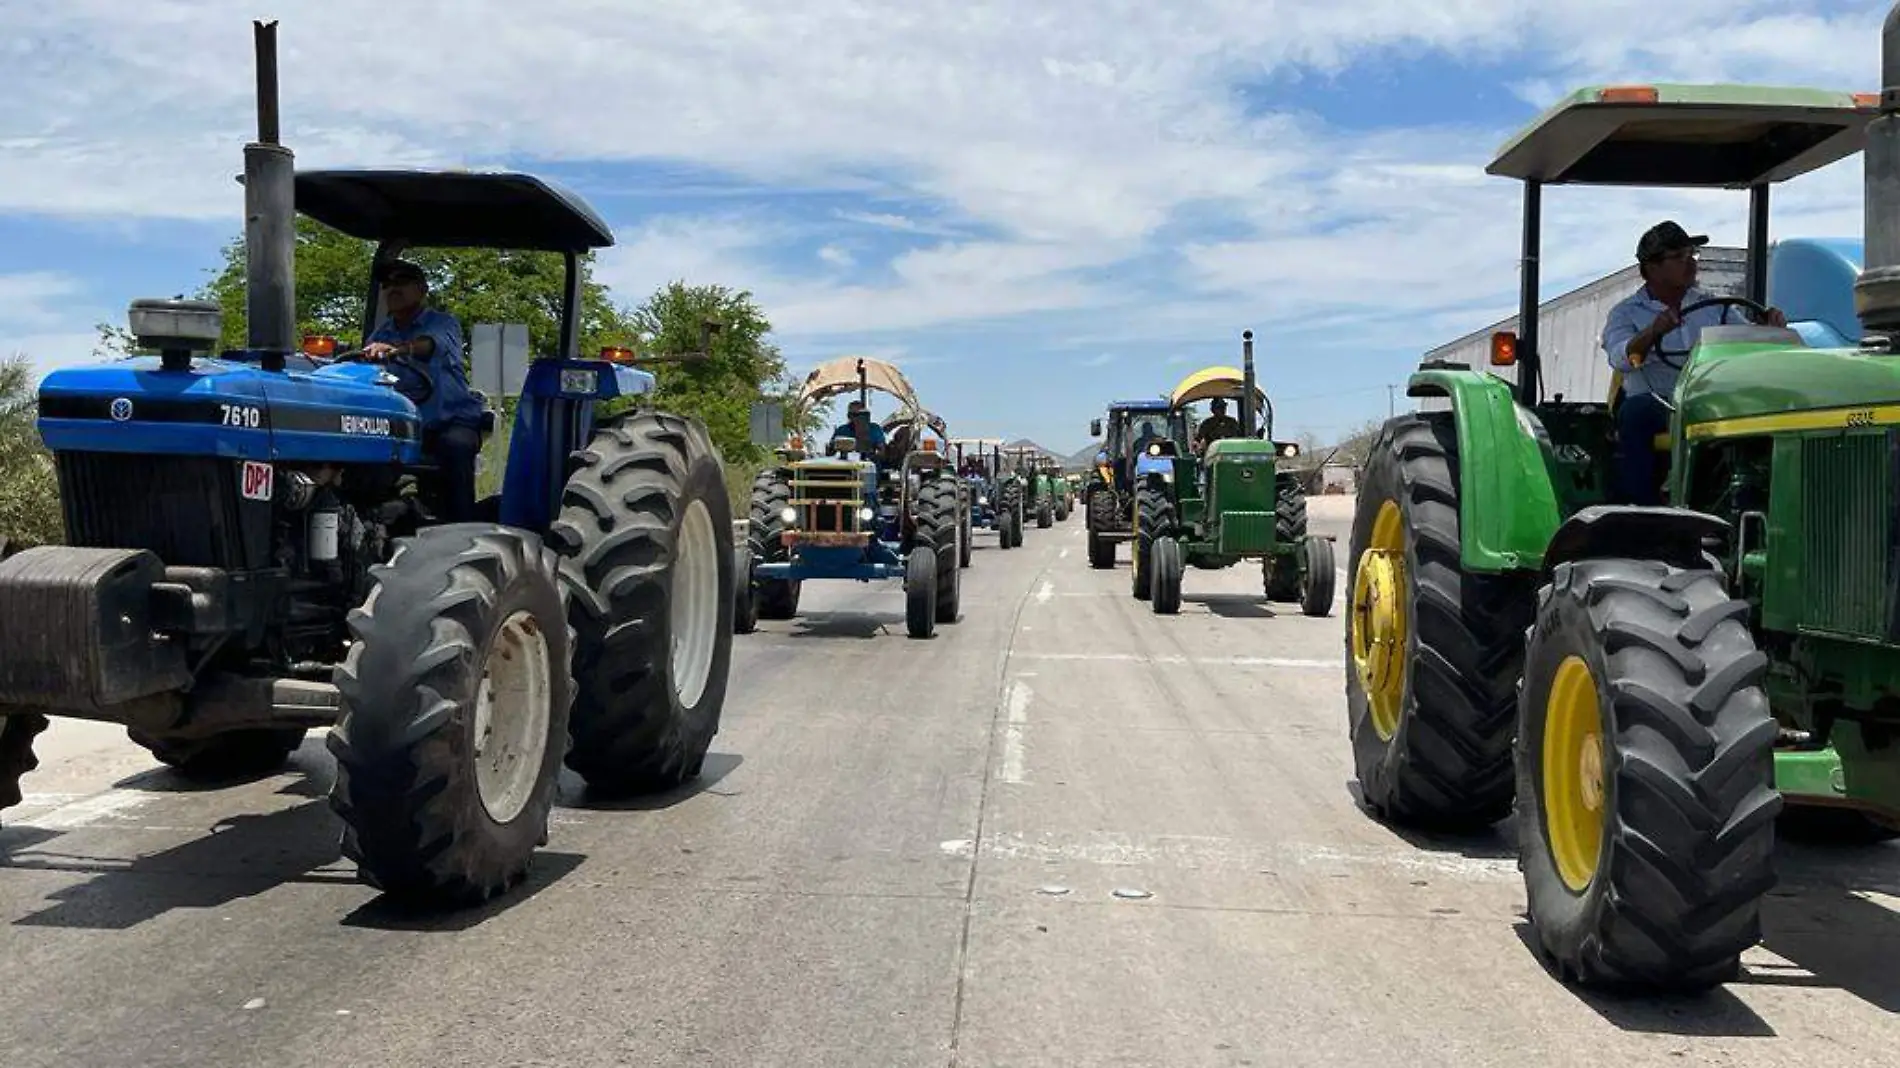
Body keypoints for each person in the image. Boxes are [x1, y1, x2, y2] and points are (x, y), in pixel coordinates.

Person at [1601, 221, 1787, 504]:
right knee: (1635, 411)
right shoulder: (1626, 314)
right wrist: (1653, 332)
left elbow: (1745, 342)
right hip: (1659, 402)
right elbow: (1622, 357)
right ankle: (1640, 510)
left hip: (1708, 400)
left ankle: (1753, 504)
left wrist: (1767, 328)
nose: (1690, 263)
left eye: (1692, 255)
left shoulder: (1713, 307)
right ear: (1651, 268)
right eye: (1678, 257)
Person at [361, 259, 485, 522]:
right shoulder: (381, 333)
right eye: (387, 284)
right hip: (405, 426)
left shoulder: (443, 323)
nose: (393, 289)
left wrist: (397, 350)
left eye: (402, 281)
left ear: (422, 289)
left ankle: (461, 528)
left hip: (449, 422)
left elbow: (430, 345)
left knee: (456, 447)